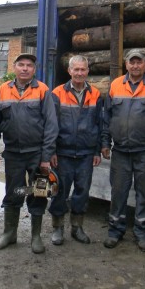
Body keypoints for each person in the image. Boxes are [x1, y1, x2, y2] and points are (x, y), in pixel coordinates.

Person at [101, 48, 145, 252]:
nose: (135, 66)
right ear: (127, 65)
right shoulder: (115, 86)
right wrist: (105, 143)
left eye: (139, 62)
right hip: (121, 151)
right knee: (118, 192)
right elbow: (107, 118)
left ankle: (142, 233)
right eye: (132, 62)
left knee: (144, 194)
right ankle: (115, 231)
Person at [0, 52, 58, 254]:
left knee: (38, 192)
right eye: (21, 64)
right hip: (12, 153)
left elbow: (51, 125)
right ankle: (9, 233)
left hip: (36, 154)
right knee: (14, 192)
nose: (25, 68)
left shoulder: (43, 91)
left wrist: (46, 157)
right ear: (14, 67)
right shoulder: (2, 90)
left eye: (29, 65)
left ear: (34, 70)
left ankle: (35, 236)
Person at [48, 55, 103, 246]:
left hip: (86, 154)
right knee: (59, 191)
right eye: (76, 69)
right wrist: (51, 151)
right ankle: (58, 228)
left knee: (82, 191)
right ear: (69, 71)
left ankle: (77, 228)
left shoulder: (95, 94)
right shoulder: (57, 93)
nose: (79, 73)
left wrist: (97, 151)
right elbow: (51, 125)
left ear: (88, 71)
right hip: (62, 153)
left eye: (83, 69)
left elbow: (99, 124)